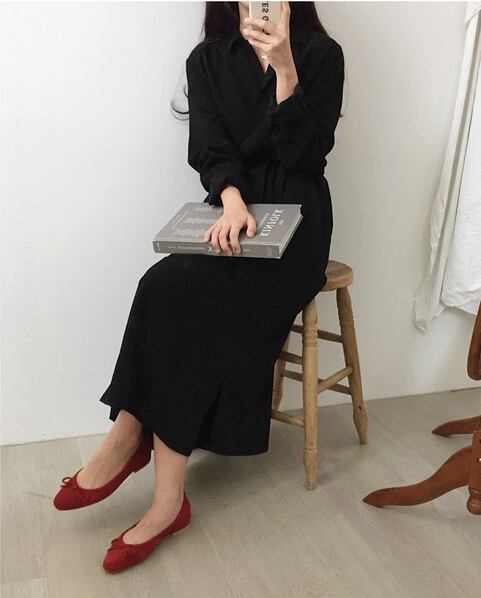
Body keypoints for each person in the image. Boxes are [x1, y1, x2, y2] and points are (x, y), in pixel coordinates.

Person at [53, 0, 345, 572]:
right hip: (233, 216)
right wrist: (232, 201)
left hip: (299, 226)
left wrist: (286, 69)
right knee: (164, 284)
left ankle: (144, 463)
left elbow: (309, 156)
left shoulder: (321, 54)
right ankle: (142, 455)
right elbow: (210, 150)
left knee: (197, 298)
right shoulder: (207, 59)